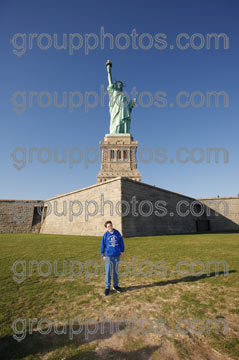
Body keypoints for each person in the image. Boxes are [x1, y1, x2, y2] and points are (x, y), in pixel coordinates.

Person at [100, 220, 125, 296]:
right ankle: (107, 287)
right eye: (108, 226)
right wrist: (103, 254)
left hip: (116, 255)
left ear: (112, 226)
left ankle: (115, 286)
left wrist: (122, 251)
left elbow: (121, 242)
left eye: (110, 225)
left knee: (115, 271)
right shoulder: (105, 235)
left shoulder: (117, 233)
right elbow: (102, 245)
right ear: (106, 228)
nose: (110, 227)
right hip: (108, 256)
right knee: (108, 272)